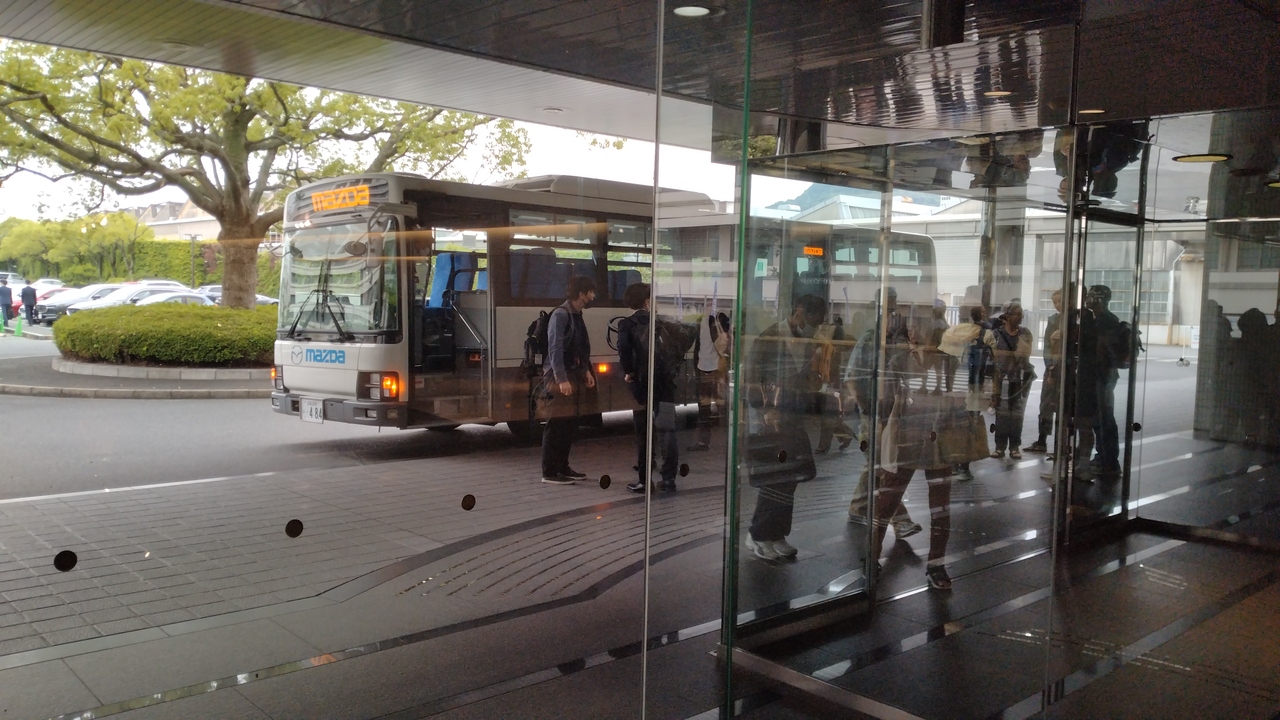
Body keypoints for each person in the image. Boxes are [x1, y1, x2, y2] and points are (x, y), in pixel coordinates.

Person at [743, 294, 826, 561]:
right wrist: (764, 410)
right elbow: (751, 376)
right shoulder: (769, 338)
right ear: (799, 312)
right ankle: (758, 535)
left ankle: (776, 533)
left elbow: (806, 378)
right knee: (775, 477)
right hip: (770, 417)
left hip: (792, 415)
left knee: (790, 476)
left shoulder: (807, 342)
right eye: (813, 321)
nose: (815, 327)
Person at [843, 288, 922, 536]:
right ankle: (900, 520)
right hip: (873, 414)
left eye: (894, 309)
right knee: (883, 468)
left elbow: (914, 372)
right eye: (889, 310)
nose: (894, 314)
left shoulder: (896, 341)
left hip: (891, 412)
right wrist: (866, 409)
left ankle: (858, 508)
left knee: (876, 465)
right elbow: (852, 377)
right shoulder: (870, 340)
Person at [617, 282, 678, 493]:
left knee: (643, 432)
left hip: (642, 384)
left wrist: (629, 373)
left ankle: (645, 480)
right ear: (647, 301)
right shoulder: (661, 323)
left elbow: (624, 351)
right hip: (665, 383)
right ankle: (668, 479)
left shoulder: (627, 324)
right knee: (667, 430)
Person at [538, 275, 597, 485]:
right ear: (581, 294)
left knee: (569, 423)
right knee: (557, 423)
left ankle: (562, 466)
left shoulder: (576, 314)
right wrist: (561, 379)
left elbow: (580, 348)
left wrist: (586, 371)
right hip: (559, 375)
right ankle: (549, 472)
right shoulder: (561, 315)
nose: (593, 296)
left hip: (574, 373)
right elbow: (555, 349)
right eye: (591, 292)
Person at [986, 302, 1034, 459]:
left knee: (1017, 413)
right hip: (1001, 377)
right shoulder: (996, 334)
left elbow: (1026, 354)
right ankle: (1000, 446)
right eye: (1017, 314)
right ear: (1008, 316)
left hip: (1020, 378)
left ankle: (1014, 446)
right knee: (1002, 412)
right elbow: (992, 357)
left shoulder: (1025, 333)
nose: (1020, 317)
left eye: (1021, 314)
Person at [1086, 285, 1121, 477]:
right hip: (1105, 374)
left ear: (1098, 299)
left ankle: (1108, 461)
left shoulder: (1104, 321)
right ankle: (1105, 458)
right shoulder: (1105, 319)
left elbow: (1101, 350)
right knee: (1102, 417)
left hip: (1102, 375)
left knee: (1103, 418)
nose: (1086, 299)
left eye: (1090, 296)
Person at [1025, 290, 1063, 454]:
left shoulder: (1076, 320)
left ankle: (1060, 446)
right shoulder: (1053, 320)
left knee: (1062, 408)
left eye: (1060, 301)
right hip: (1053, 369)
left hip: (1064, 369)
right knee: (1046, 405)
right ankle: (1042, 440)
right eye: (1055, 302)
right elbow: (1047, 345)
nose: (1057, 305)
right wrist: (1050, 366)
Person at [689, 310, 730, 452]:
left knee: (714, 409)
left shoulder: (717, 321)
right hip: (710, 372)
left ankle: (709, 441)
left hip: (714, 373)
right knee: (710, 408)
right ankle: (707, 442)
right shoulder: (705, 323)